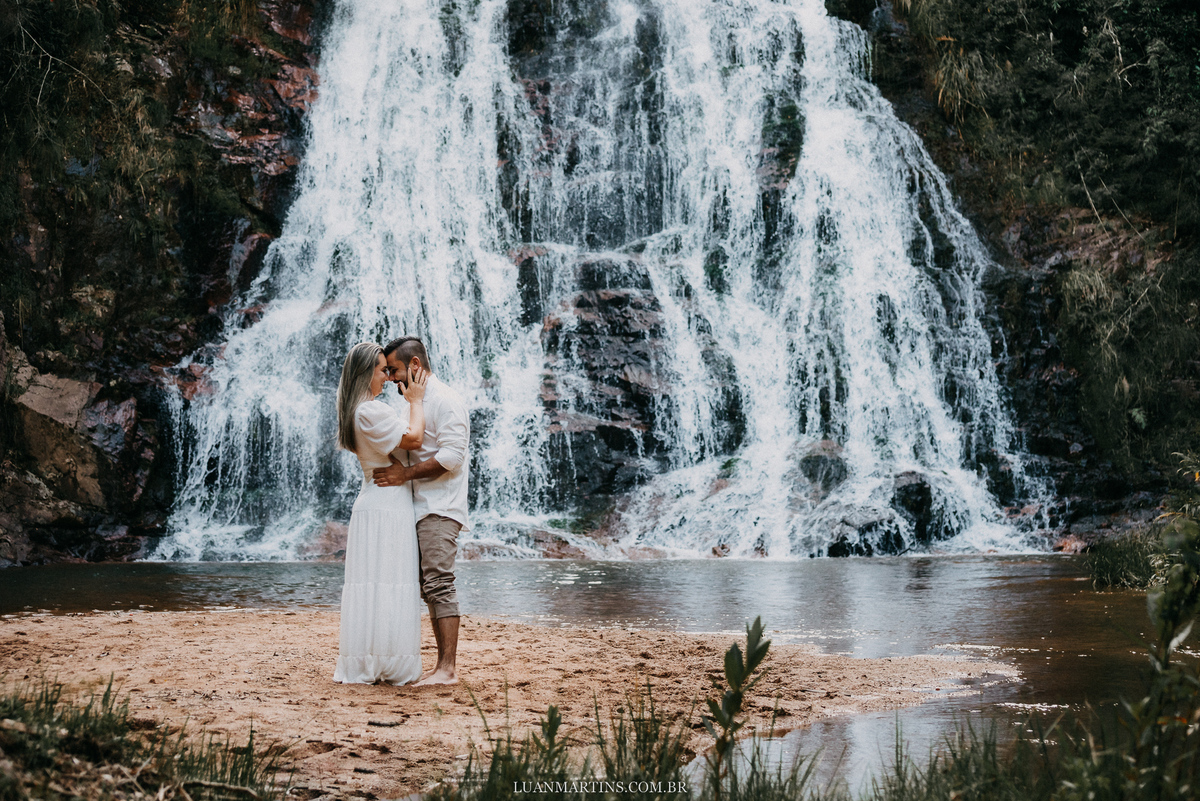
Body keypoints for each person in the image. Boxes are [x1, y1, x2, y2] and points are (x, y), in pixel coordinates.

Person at [373, 336, 469, 686]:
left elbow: (452, 457)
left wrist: (405, 475)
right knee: (428, 587)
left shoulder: (445, 400)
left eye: (394, 370)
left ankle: (447, 669)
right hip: (415, 509)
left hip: (440, 507)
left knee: (439, 583)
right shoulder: (411, 402)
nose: (390, 378)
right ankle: (439, 666)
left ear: (415, 365)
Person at [332, 341, 428, 685]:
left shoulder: (361, 410)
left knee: (379, 584)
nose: (388, 377)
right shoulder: (369, 411)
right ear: (365, 373)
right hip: (387, 505)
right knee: (389, 582)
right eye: (382, 370)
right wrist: (415, 401)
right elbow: (414, 439)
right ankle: (387, 663)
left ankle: (376, 659)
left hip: (379, 501)